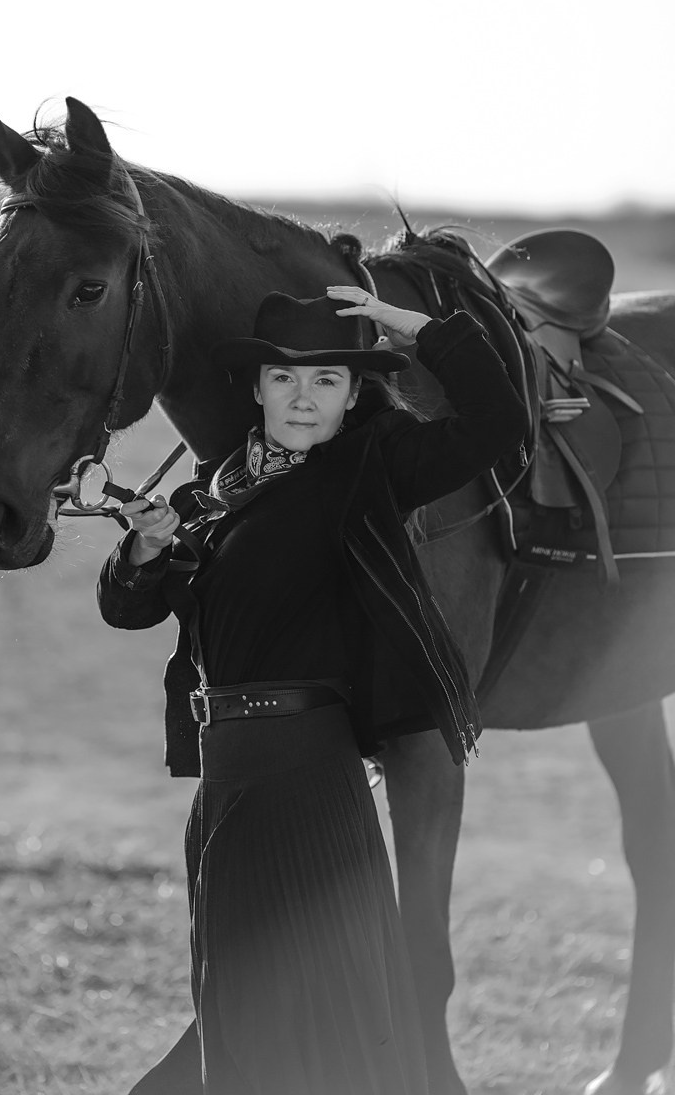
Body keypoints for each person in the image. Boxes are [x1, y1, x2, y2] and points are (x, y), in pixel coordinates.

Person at [97, 286, 526, 1095]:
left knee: (265, 1010)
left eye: (327, 380)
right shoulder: (207, 496)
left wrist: (426, 331)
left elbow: (497, 423)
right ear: (256, 387)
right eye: (286, 379)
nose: (303, 397)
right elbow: (127, 609)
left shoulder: (368, 469)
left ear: (354, 394)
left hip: (305, 779)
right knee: (240, 1001)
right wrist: (144, 553)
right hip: (225, 785)